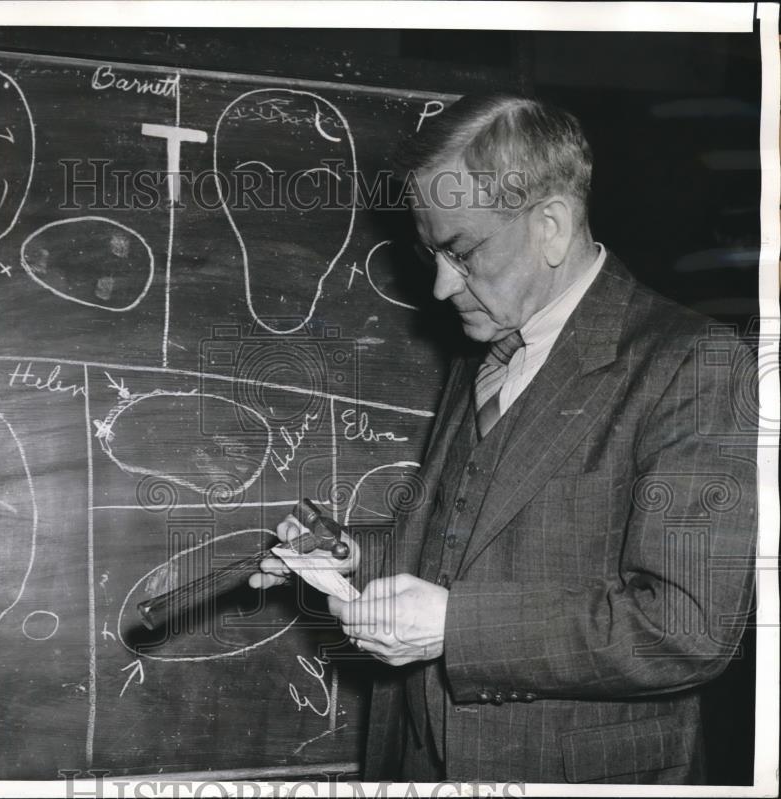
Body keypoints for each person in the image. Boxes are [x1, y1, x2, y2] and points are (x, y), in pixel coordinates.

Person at [252, 94, 758, 784]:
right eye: (429, 253)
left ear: (551, 224)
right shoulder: (480, 354)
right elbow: (464, 538)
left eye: (461, 252)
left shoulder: (695, 362)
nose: (438, 285)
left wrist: (458, 627)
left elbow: (689, 627)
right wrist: (347, 554)